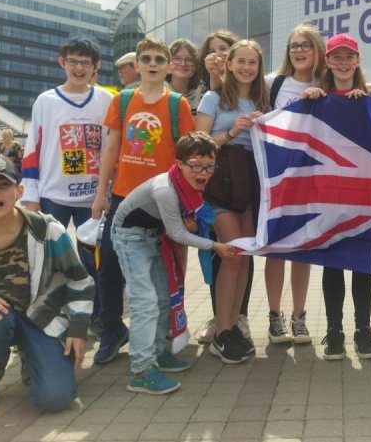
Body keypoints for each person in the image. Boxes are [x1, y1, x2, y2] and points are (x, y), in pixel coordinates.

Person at [91, 37, 196, 365]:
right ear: (136, 65)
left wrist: (188, 205)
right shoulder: (122, 101)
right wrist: (101, 192)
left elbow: (187, 156)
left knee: (164, 274)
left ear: (169, 67)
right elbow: (111, 148)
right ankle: (113, 332)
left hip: (163, 201)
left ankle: (162, 343)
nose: (153, 64)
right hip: (123, 198)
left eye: (159, 60)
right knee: (109, 266)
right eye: (146, 59)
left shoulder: (178, 104)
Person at [112, 132, 241, 393]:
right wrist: (215, 246)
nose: (203, 172)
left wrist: (191, 224)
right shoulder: (165, 190)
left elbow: (184, 224)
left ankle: (159, 352)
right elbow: (178, 234)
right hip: (130, 238)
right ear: (179, 164)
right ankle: (141, 370)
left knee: (163, 299)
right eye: (195, 165)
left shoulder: (190, 186)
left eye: (209, 166)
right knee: (145, 302)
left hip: (154, 236)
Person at [0, 155, 94, 412]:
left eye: (2, 185)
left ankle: (31, 354)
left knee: (55, 400)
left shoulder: (47, 230)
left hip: (43, 318)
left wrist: (78, 328)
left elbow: (80, 281)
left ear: (19, 191)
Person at [20, 35, 113, 333]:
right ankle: (50, 321)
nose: (79, 68)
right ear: (62, 62)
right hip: (53, 196)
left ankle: (97, 317)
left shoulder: (106, 100)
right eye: (73, 61)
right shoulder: (46, 101)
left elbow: (111, 147)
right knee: (50, 262)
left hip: (93, 198)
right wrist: (31, 195)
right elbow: (32, 149)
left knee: (94, 262)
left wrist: (107, 191)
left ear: (96, 66)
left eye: (86, 62)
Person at [303, 33, 371, 361]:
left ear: (358, 61)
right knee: (332, 264)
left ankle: (364, 330)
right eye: (337, 57)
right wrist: (308, 99)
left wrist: (370, 105)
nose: (344, 63)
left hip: (364, 193)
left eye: (349, 57)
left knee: (362, 265)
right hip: (329, 195)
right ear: (328, 61)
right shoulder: (316, 99)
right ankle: (334, 331)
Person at [196, 40, 268, 362]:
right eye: (241, 61)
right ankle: (222, 331)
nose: (246, 67)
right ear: (229, 64)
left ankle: (233, 326)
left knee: (244, 256)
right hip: (221, 181)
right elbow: (197, 145)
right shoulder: (212, 98)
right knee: (231, 256)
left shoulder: (262, 100)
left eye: (252, 62)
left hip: (251, 182)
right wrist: (232, 133)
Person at [263, 23, 326, 345]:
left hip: (312, 181)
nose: (299, 51)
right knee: (276, 250)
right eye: (294, 46)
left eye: (305, 45)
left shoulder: (326, 83)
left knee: (302, 249)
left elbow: (364, 89)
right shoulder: (272, 83)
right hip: (277, 180)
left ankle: (298, 317)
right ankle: (275, 316)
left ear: (317, 50)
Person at [168, 39, 205, 115]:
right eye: (177, 59)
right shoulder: (158, 92)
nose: (183, 64)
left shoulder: (203, 94)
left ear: (196, 65)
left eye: (189, 59)